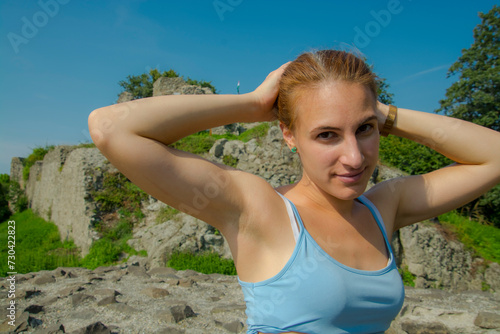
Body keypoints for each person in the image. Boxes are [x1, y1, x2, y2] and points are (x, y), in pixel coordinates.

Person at [88, 50, 500, 334]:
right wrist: (252, 104)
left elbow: (494, 157)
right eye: (327, 135)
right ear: (288, 134)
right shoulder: (259, 209)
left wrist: (386, 112)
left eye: (364, 129)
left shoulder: (383, 207)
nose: (354, 157)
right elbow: (110, 128)